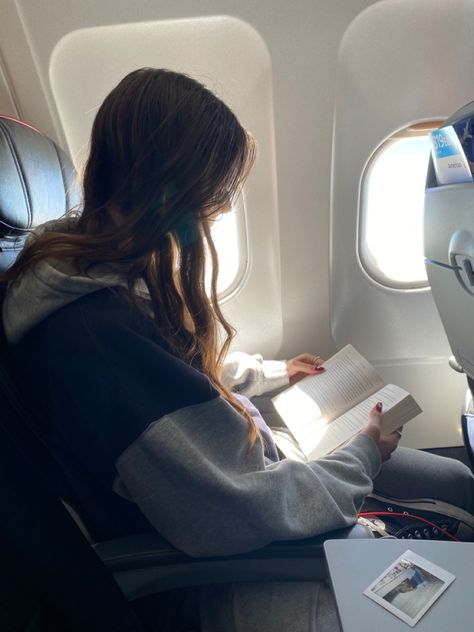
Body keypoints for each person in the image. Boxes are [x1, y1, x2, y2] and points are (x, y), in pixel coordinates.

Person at [1, 68, 473, 632]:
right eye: (214, 195)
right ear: (171, 185)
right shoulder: (90, 335)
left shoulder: (100, 278)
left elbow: (170, 374)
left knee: (454, 485)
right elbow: (239, 511)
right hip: (222, 569)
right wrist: (366, 453)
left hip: (245, 478)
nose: (219, 212)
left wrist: (273, 374)